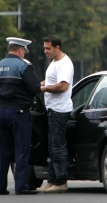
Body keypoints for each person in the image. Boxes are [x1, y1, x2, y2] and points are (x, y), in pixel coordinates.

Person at [0, 37, 41, 195]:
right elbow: (35, 88)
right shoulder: (23, 66)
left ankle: (0, 187)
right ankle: (21, 186)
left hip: (0, 112)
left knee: (3, 150)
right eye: (24, 51)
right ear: (20, 50)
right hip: (18, 112)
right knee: (22, 149)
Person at [37, 35, 74, 193]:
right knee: (52, 147)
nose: (45, 51)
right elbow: (52, 80)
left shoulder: (64, 64)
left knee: (58, 147)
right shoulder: (55, 62)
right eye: (44, 48)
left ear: (57, 48)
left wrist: (43, 89)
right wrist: (40, 84)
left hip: (59, 110)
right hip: (52, 109)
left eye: (48, 48)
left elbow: (63, 86)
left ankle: (61, 181)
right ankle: (51, 180)